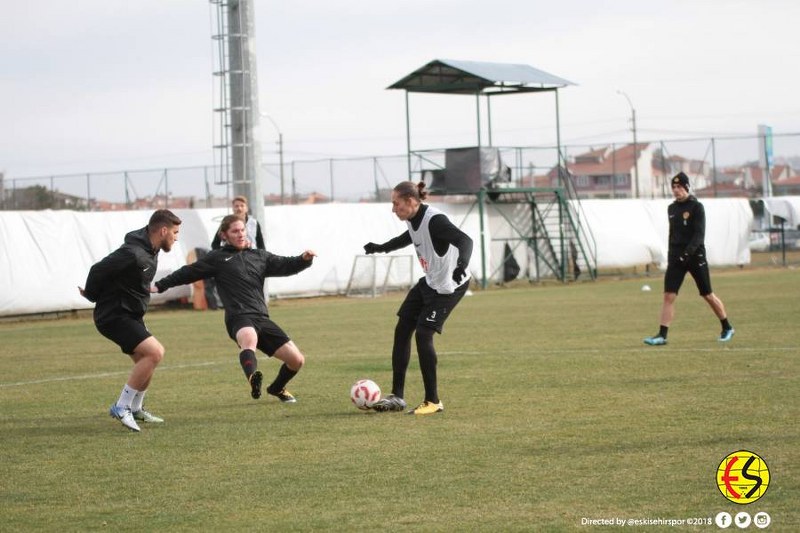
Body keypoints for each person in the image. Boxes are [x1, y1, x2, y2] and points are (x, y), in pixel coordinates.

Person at [154, 214, 315, 402]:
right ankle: (253, 378)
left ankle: (277, 388)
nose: (240, 234)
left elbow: (287, 265)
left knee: (297, 360)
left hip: (261, 317)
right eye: (235, 231)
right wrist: (160, 285)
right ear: (224, 235)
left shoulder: (259, 256)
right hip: (238, 316)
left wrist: (304, 259)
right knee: (249, 339)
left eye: (242, 230)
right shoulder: (216, 258)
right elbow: (187, 273)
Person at [364, 181, 473, 415]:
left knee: (424, 334)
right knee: (402, 328)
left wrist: (461, 264)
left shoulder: (436, 220)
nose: (393, 209)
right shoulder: (414, 220)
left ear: (411, 202)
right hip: (430, 282)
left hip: (449, 286)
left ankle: (433, 401)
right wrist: (380, 247)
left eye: (396, 203)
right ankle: (397, 397)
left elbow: (466, 241)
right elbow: (409, 237)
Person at [79, 209, 182, 432]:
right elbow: (98, 269)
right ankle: (122, 406)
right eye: (175, 232)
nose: (177, 236)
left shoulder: (151, 248)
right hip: (114, 315)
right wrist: (92, 295)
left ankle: (136, 408)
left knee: (146, 361)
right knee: (155, 352)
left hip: (131, 314)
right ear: (163, 231)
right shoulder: (133, 252)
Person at [644, 172, 735, 346]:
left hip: (695, 256)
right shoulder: (671, 209)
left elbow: (699, 235)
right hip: (676, 259)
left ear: (686, 187)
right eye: (674, 187)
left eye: (679, 187)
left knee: (707, 294)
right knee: (668, 296)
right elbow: (673, 235)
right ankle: (662, 335)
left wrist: (687, 254)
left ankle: (727, 327)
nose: (676, 190)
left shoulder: (696, 207)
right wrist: (672, 256)